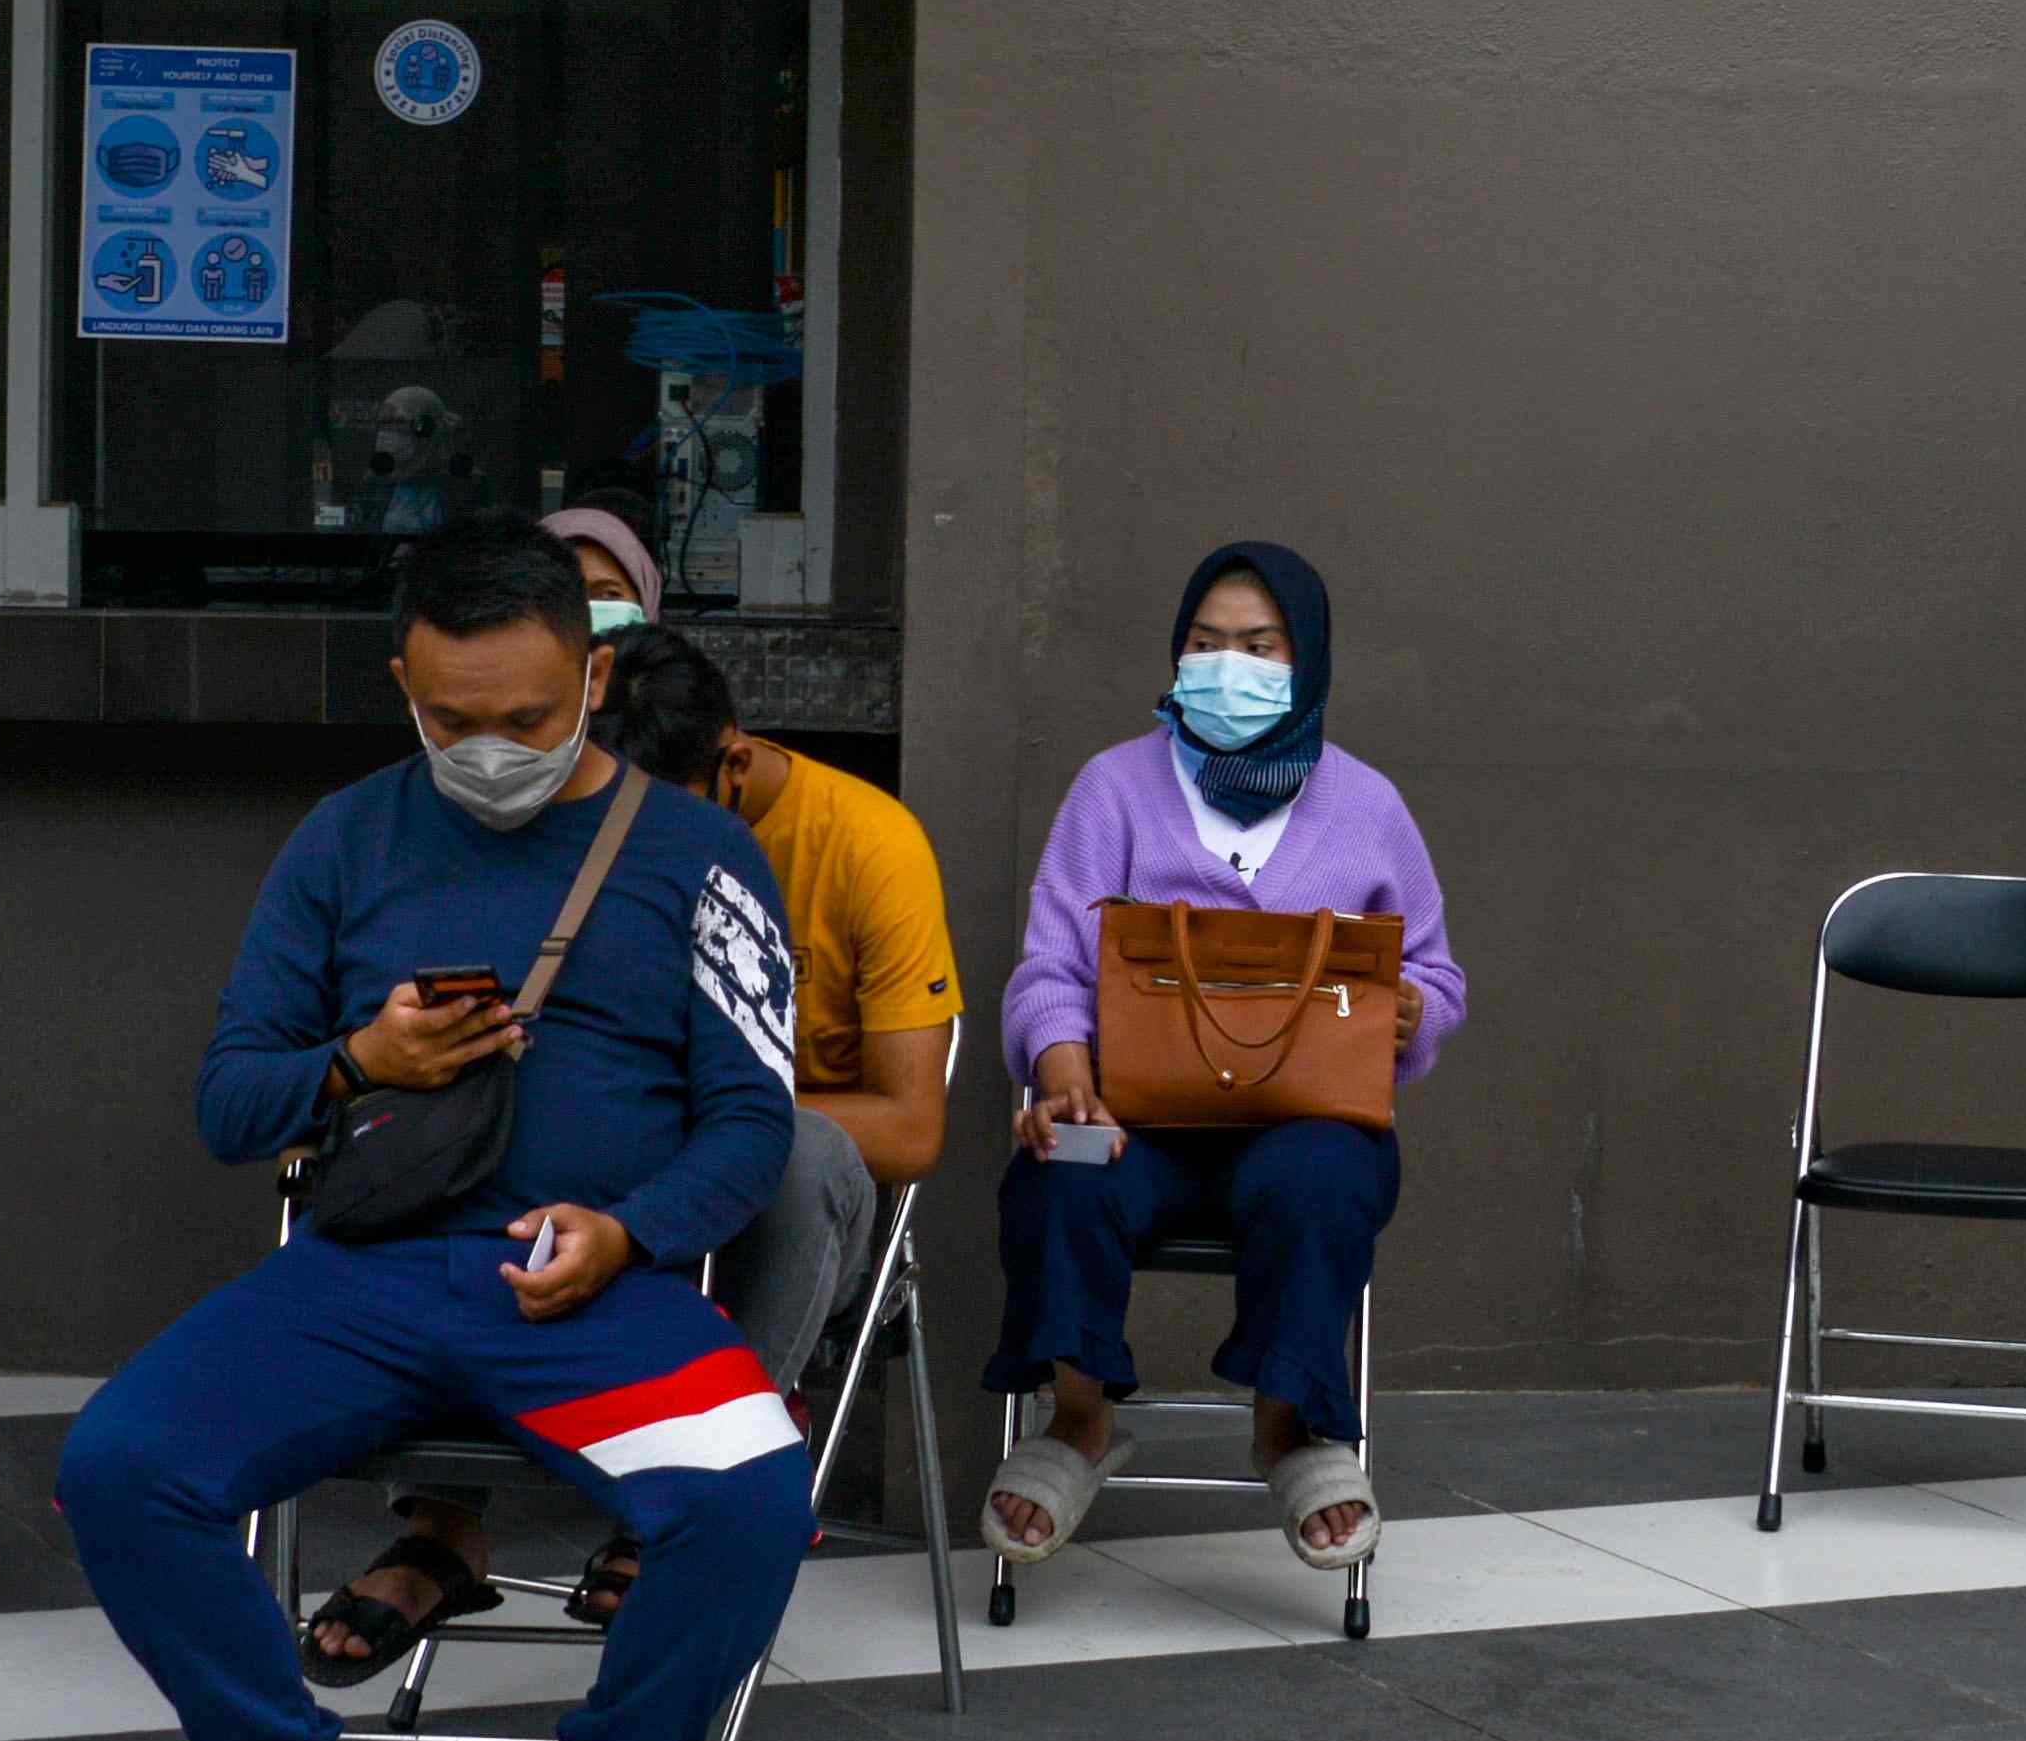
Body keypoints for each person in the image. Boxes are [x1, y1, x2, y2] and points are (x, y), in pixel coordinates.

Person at [52, 527, 810, 1741]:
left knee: (754, 1498)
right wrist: (359, 1059)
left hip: (591, 1279)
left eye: (526, 718)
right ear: (401, 682)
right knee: (119, 1466)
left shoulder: (703, 854)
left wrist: (632, 1231)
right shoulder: (346, 837)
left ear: (593, 675)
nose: (489, 750)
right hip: (367, 1274)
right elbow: (229, 1100)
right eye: (450, 717)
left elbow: (751, 1125)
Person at [290, 622, 952, 1669]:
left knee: (798, 1147)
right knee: (495, 1117)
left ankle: (689, 1490)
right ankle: (439, 1526)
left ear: (729, 765)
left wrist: (714, 1122)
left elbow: (911, 1128)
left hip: (781, 1215)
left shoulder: (867, 844)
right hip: (591, 1199)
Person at [980, 541, 1462, 1583]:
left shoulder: (1367, 805)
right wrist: (1062, 1065)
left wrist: (1411, 1007)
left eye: (1257, 645)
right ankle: (1078, 1420)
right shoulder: (1111, 788)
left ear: (1309, 659)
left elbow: (1433, 972)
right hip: (1133, 1114)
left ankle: (1291, 1427)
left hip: (1303, 1120)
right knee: (1058, 1170)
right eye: (1203, 644)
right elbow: (1047, 965)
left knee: (1321, 1180)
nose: (1224, 665)